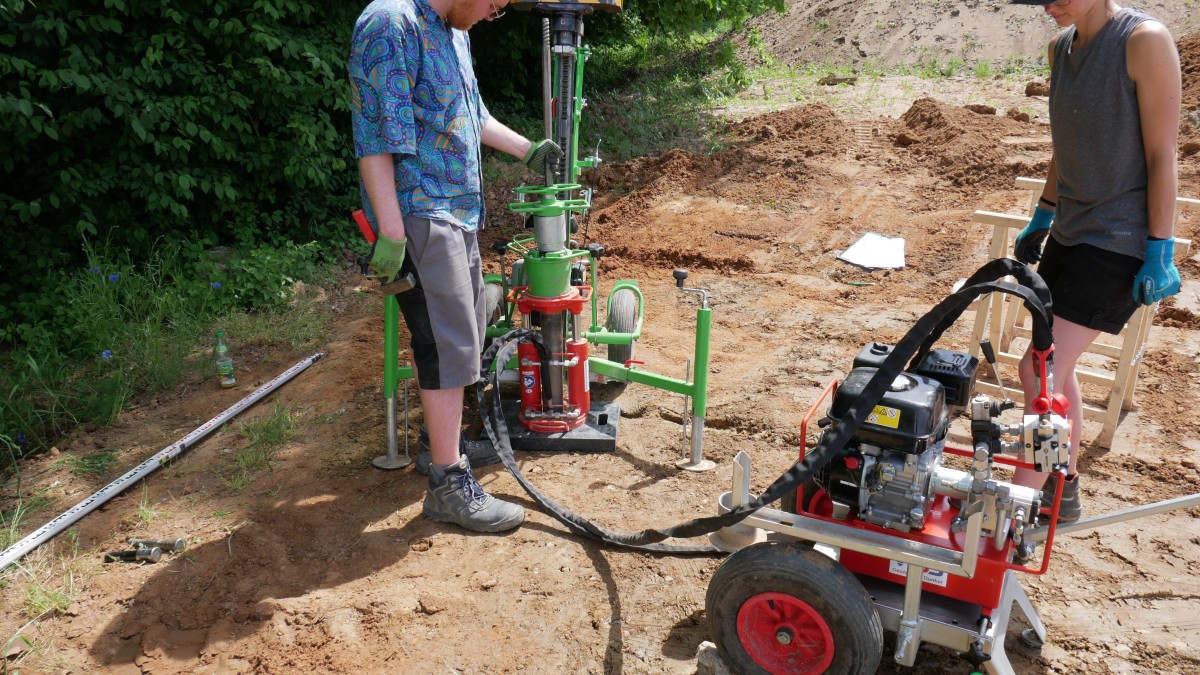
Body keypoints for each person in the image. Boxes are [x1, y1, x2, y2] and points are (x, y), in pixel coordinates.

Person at [348, 0, 563, 532]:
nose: (496, 14)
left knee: (462, 335)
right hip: (419, 212)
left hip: (458, 210)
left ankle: (436, 445)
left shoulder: (454, 31)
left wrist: (527, 149)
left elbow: (471, 113)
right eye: (497, 2)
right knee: (445, 345)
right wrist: (393, 236)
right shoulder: (390, 23)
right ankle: (447, 482)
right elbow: (375, 139)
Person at [1008, 0, 1182, 521]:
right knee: (1057, 368)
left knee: (1039, 369)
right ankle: (1064, 487)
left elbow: (1162, 155)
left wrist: (1160, 247)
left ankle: (1015, 511)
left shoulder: (1143, 41)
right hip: (1071, 233)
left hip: (1121, 241)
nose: (1047, 4)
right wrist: (1043, 213)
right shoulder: (1060, 49)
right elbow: (1067, 145)